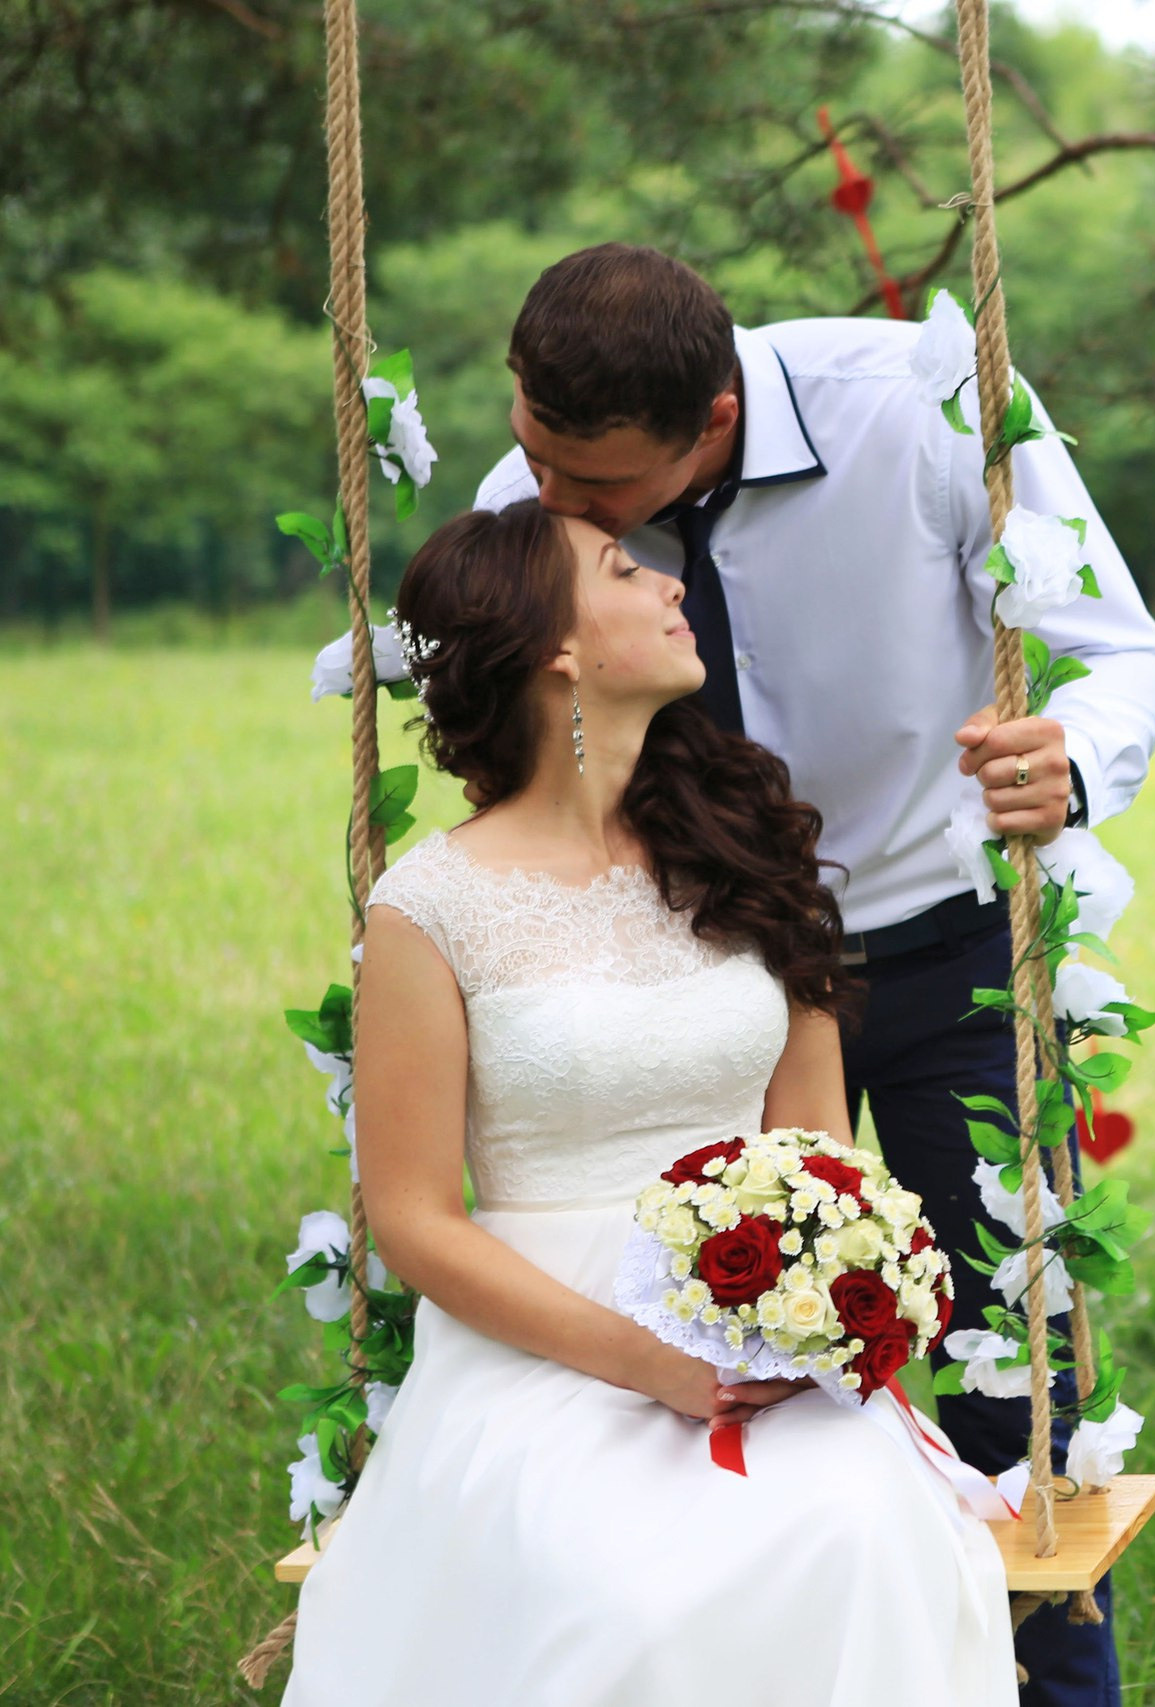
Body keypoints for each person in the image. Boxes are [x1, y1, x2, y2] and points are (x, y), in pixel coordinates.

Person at [474, 242, 1155, 1704]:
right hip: (695, 987)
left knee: (1007, 1380)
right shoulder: (530, 504)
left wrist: (1076, 757)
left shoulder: (926, 408)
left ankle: (1051, 1690)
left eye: (593, 484)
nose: (547, 498)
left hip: (941, 957)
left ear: (714, 420)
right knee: (719, 1381)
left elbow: (1119, 652)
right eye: (533, 448)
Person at [282, 501, 1016, 1705]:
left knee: (853, 1532)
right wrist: (647, 1362)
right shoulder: (429, 907)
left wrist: (814, 1320)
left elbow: (819, 1154)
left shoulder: (748, 860)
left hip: (758, 1330)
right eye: (624, 570)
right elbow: (412, 1220)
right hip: (543, 1344)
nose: (671, 586)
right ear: (555, 648)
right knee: (627, 1596)